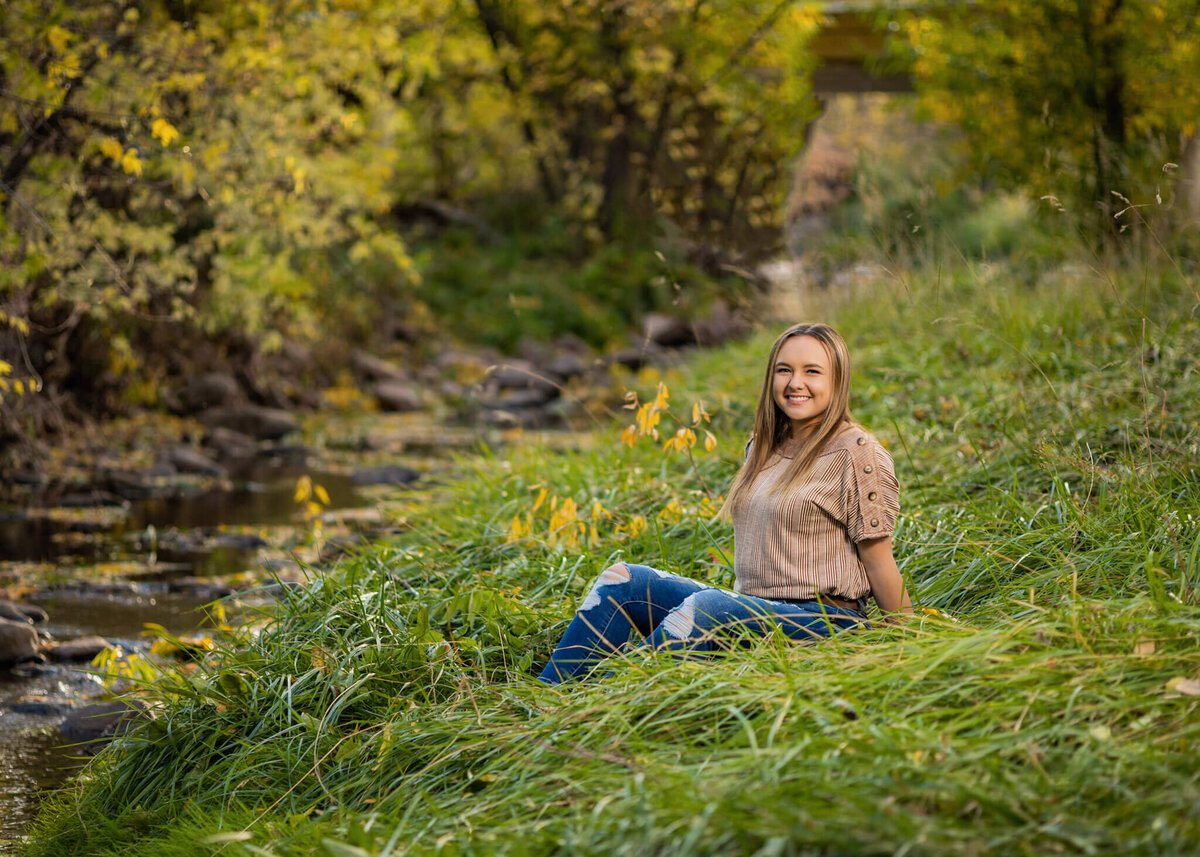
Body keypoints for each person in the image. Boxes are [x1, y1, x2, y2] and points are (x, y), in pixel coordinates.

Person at [536, 322, 913, 684]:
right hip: (753, 608)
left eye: (812, 371)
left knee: (706, 610)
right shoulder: (763, 447)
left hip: (827, 621)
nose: (795, 383)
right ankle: (546, 700)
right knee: (624, 580)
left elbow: (880, 564)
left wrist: (910, 652)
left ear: (837, 381)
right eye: (784, 370)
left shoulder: (857, 453)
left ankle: (593, 704)